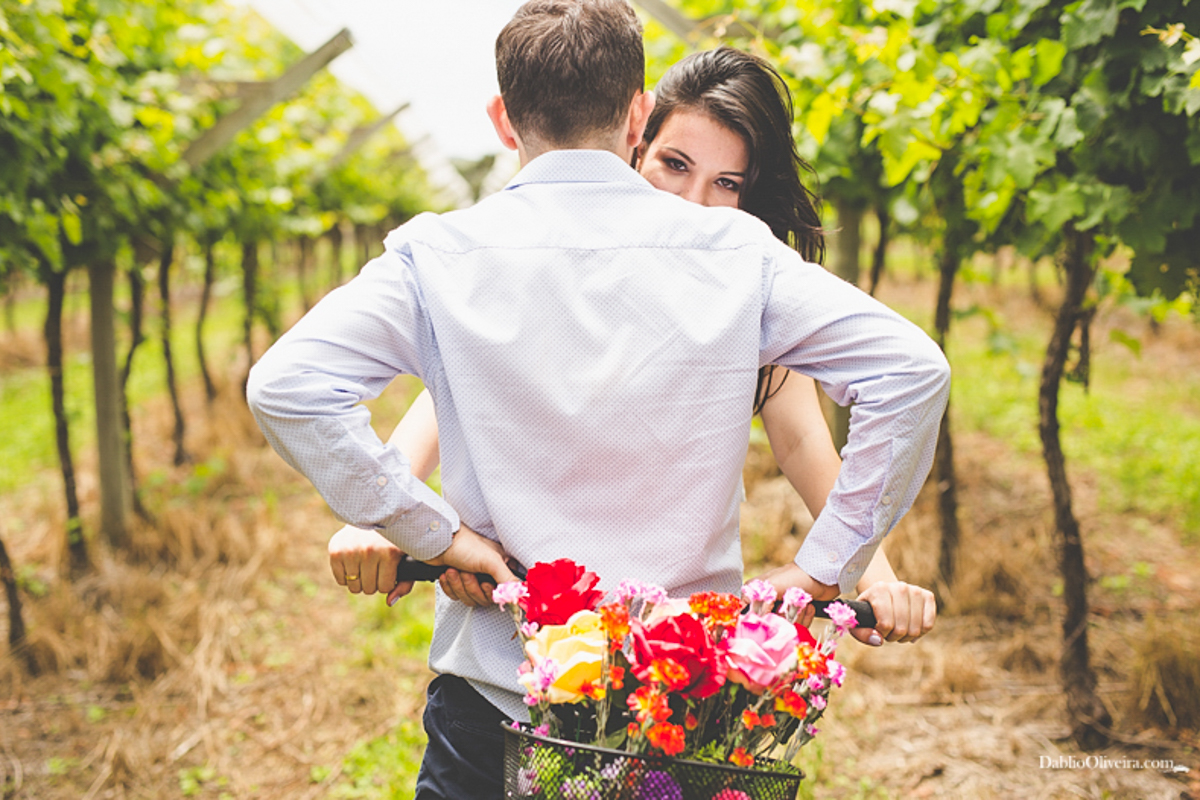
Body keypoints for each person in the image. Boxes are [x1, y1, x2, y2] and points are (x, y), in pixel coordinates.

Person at [246, 2, 950, 797]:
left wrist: (434, 534)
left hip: (496, 697)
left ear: (504, 118)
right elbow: (912, 373)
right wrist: (825, 571)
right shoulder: (738, 254)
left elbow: (286, 387)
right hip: (679, 707)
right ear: (638, 115)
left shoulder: (434, 257)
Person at [329, 46, 937, 646]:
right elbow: (457, 390)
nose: (692, 201)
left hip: (666, 647)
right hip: (518, 624)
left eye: (726, 183)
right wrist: (387, 515)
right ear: (635, 137)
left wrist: (862, 571)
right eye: (675, 164)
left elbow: (804, 441)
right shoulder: (564, 256)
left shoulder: (743, 290)